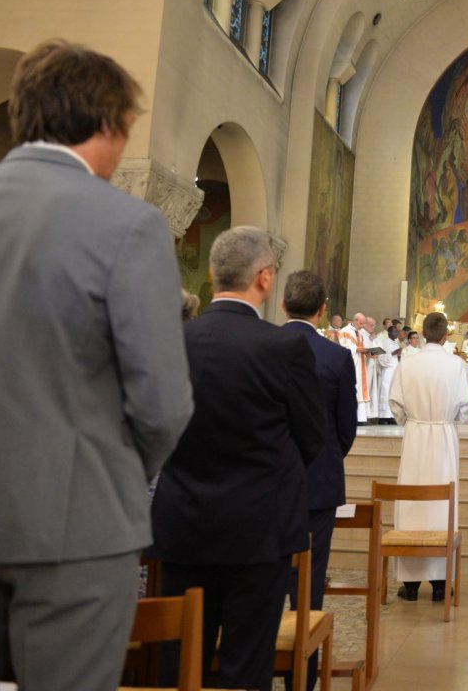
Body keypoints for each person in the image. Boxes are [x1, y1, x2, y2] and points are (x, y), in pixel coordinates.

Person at [0, 41, 194, 691]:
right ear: (106, 124)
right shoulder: (127, 225)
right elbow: (162, 402)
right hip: (76, 522)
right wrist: (118, 471)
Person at [149, 227, 325, 691]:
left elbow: (153, 429)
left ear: (211, 274)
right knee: (246, 666)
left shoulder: (172, 341)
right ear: (265, 278)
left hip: (181, 522)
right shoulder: (283, 347)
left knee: (179, 660)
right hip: (259, 529)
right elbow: (312, 437)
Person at [281, 270, 358, 691]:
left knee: (264, 575)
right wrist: (324, 459)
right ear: (323, 309)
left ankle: (258, 664)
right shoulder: (336, 357)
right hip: (319, 482)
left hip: (267, 484)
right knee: (310, 579)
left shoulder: (264, 347)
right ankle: (303, 677)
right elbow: (347, 426)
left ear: (282, 304)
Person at [388, 312, 468, 601]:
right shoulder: (456, 365)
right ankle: (440, 583)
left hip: (415, 438)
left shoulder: (408, 363)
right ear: (446, 335)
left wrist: (413, 419)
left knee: (412, 504)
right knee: (442, 506)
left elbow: (396, 406)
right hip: (443, 439)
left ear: (423, 334)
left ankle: (410, 585)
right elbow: (466, 409)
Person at [340, 312, 372, 424]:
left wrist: (368, 353)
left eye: (364, 324)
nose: (363, 326)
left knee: (360, 390)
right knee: (354, 389)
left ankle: (360, 418)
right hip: (351, 366)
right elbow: (341, 348)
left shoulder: (360, 334)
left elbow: (361, 349)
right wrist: (356, 350)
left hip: (360, 365)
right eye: (362, 323)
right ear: (355, 320)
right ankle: (351, 417)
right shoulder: (344, 332)